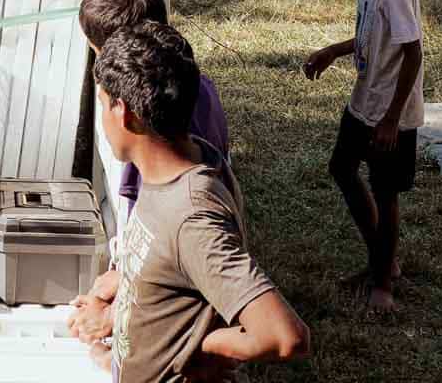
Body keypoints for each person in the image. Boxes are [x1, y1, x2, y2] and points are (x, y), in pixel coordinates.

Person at [94, 22, 310, 381]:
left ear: (124, 114)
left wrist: (203, 345)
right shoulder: (182, 158)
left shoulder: (190, 216)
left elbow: (285, 336)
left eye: (103, 104)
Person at [69, 0, 231, 345]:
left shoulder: (161, 149)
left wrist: (113, 313)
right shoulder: (192, 88)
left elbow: (171, 253)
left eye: (97, 56)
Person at [304, 0, 423, 313]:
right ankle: (382, 261)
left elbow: (413, 51)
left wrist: (392, 120)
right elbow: (376, 34)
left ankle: (383, 283)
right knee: (342, 167)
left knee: (385, 192)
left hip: (391, 112)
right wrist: (333, 52)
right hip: (364, 100)